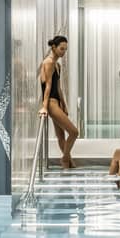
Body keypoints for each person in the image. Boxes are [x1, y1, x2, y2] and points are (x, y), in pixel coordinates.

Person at [39, 35, 79, 168]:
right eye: (62, 49)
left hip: (57, 102)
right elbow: (48, 86)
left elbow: (58, 87)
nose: (64, 52)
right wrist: (44, 107)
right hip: (50, 102)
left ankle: (68, 163)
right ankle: (65, 159)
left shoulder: (57, 65)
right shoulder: (48, 62)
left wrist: (64, 105)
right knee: (74, 132)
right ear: (54, 47)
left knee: (61, 136)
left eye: (65, 50)